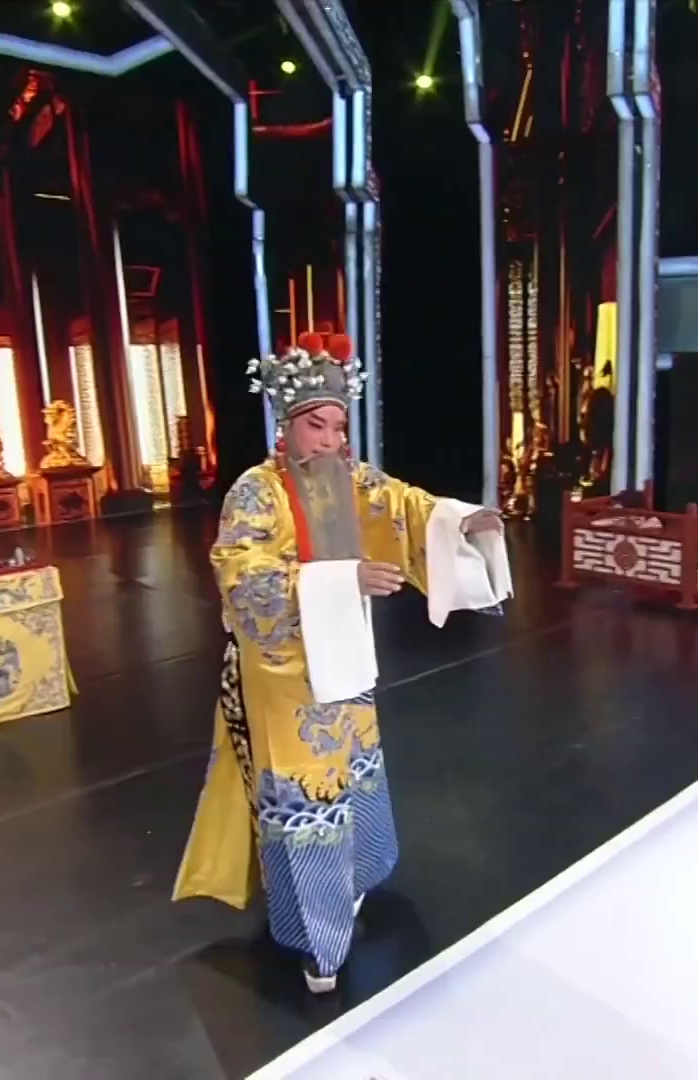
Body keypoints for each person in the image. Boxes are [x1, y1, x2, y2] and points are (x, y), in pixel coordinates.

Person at [174, 332, 505, 995]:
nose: (329, 440)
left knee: (355, 769)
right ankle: (313, 940)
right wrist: (340, 579)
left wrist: (460, 521)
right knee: (306, 798)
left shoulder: (349, 478)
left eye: (337, 427)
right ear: (286, 425)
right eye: (315, 426)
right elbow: (241, 573)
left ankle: (356, 881)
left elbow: (403, 505)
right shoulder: (255, 492)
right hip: (284, 677)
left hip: (344, 658)